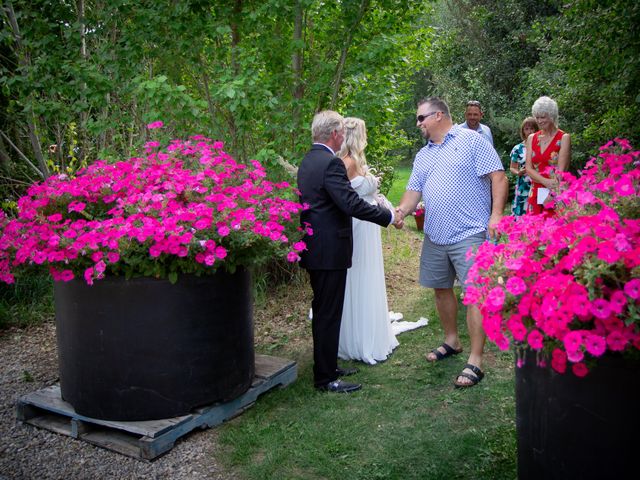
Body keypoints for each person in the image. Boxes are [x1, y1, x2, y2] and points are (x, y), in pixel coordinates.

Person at [396, 97, 508, 388]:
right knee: (441, 290)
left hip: (470, 233)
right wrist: (400, 212)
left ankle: (475, 360)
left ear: (438, 116)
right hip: (435, 234)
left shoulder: (471, 140)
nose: (418, 123)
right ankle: (451, 341)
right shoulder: (423, 155)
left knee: (475, 296)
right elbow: (412, 192)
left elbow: (498, 177)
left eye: (421, 118)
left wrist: (496, 215)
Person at [297, 110, 400, 394]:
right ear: (334, 134)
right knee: (328, 313)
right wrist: (387, 217)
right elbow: (350, 204)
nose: (343, 136)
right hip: (330, 250)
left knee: (324, 311)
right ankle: (325, 378)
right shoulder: (330, 163)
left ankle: (328, 365)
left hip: (314, 247)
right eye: (341, 131)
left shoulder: (308, 160)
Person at [337, 117, 399, 365]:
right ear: (357, 136)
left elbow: (373, 194)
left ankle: (370, 331)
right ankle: (359, 338)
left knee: (369, 274)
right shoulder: (346, 163)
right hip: (359, 226)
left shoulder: (357, 161)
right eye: (364, 133)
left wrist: (391, 212)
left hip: (369, 225)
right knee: (359, 275)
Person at [525, 96, 571, 215]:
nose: (539, 121)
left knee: (554, 230)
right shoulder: (531, 138)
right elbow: (529, 168)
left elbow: (561, 171)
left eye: (543, 117)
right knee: (533, 230)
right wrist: (544, 181)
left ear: (552, 116)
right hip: (535, 193)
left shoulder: (563, 138)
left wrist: (552, 193)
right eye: (537, 117)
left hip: (554, 192)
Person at [509, 117, 539, 216]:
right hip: (524, 184)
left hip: (539, 182)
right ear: (523, 131)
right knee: (522, 213)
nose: (529, 131)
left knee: (538, 212)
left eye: (532, 128)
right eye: (526, 129)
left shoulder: (542, 146)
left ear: (536, 129)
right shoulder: (518, 148)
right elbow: (512, 167)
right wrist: (518, 172)